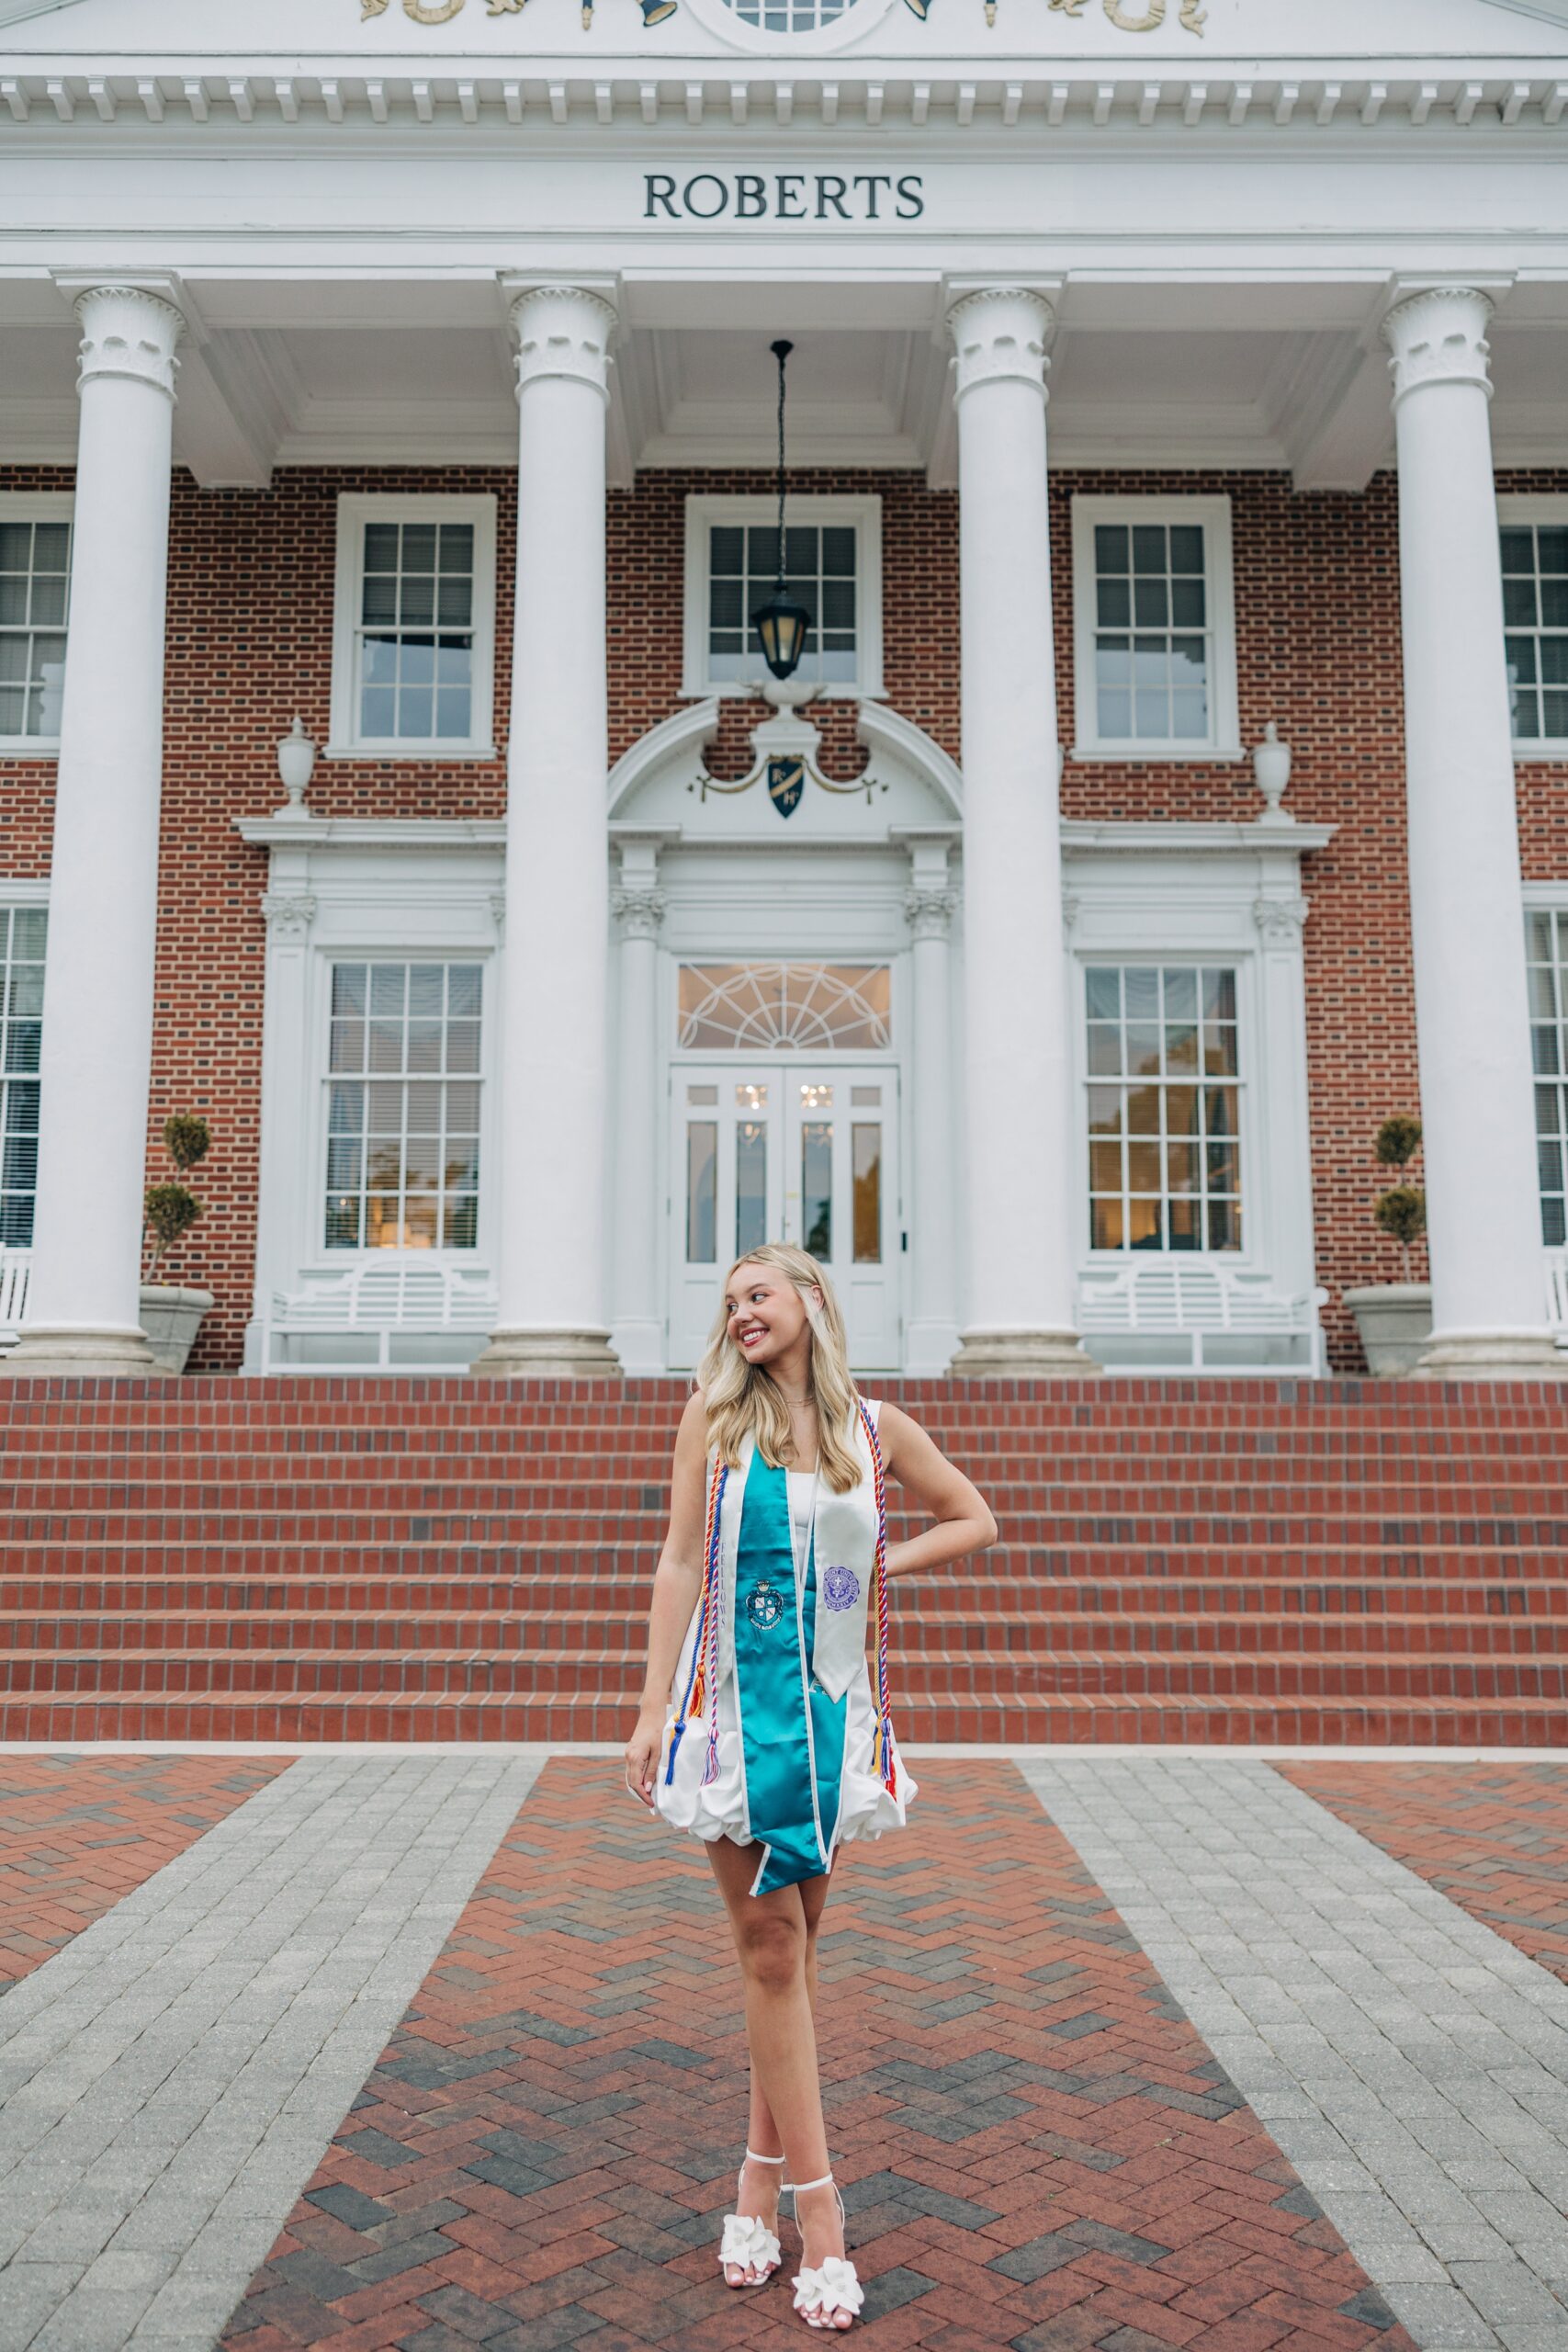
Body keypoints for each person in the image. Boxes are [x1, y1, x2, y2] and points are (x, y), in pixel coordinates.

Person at [624, 1243, 998, 2333]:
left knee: (783, 1965)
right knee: (773, 1951)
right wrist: (650, 1706)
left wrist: (883, 1562)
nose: (740, 1312)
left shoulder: (874, 1430)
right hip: (734, 1719)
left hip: (832, 1724)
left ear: (812, 1302)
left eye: (759, 1294)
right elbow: (679, 1563)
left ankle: (752, 2178)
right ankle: (822, 2214)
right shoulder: (712, 1419)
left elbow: (974, 1516)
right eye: (729, 1300)